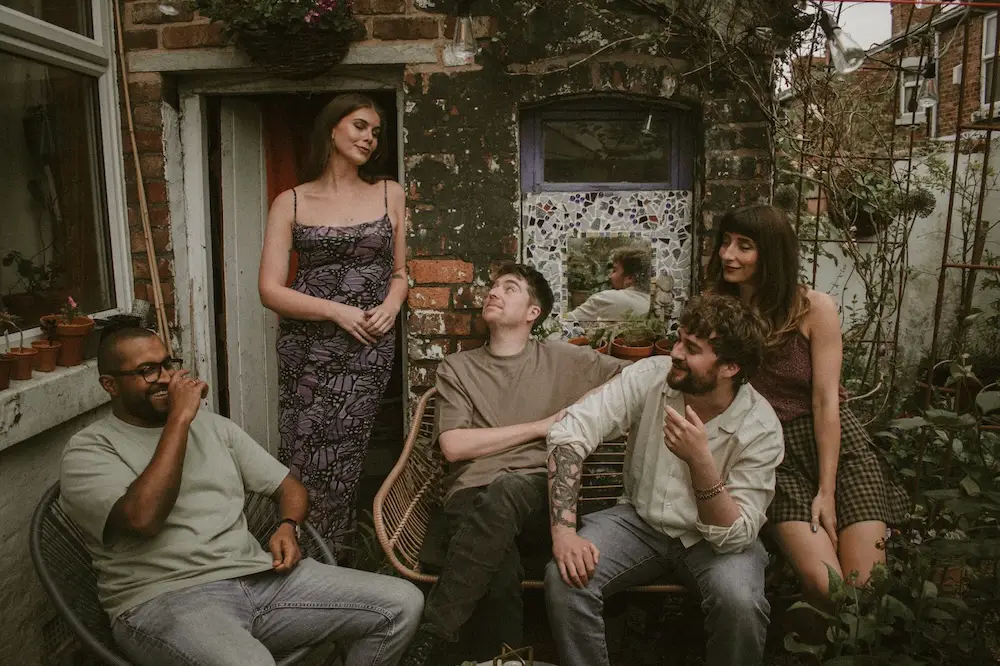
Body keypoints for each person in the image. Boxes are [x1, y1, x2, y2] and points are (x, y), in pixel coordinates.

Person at [59, 327, 423, 666]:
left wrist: (288, 525)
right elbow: (144, 519)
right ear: (110, 384)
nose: (167, 378)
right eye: (147, 370)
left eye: (168, 364)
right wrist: (179, 421)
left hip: (259, 578)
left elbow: (289, 487)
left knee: (401, 603)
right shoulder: (90, 450)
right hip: (167, 599)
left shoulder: (215, 428)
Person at [402, 263, 628, 665]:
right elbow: (453, 446)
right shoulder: (459, 368)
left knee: (509, 489)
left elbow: (636, 376)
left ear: (532, 313)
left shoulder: (562, 359)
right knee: (499, 572)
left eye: (509, 288)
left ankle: (431, 636)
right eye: (493, 287)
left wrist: (582, 411)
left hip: (541, 496)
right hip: (472, 496)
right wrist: (540, 426)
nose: (494, 292)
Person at [545, 294, 784, 666]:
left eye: (692, 348)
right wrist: (564, 532)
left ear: (730, 367)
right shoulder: (651, 377)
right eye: (679, 339)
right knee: (565, 578)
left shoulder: (760, 427)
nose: (676, 352)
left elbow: (736, 536)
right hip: (640, 522)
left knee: (740, 603)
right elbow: (569, 433)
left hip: (711, 542)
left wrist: (701, 462)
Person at [706, 204, 909, 598]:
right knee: (827, 585)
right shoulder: (719, 312)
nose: (728, 254)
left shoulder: (814, 308)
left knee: (865, 585)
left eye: (744, 246)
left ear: (772, 254)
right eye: (726, 242)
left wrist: (826, 491)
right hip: (770, 452)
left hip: (837, 448)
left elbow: (825, 402)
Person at [259, 93, 407, 554]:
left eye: (376, 132)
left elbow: (401, 272)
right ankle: (294, 551)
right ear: (331, 129)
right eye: (360, 126)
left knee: (345, 453)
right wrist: (336, 310)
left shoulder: (389, 193)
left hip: (366, 347)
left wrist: (393, 304)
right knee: (302, 450)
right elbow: (270, 291)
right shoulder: (291, 201)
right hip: (307, 345)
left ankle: (335, 559)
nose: (369, 138)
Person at [566, 246, 651, 321]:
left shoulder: (607, 299)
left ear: (630, 278)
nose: (610, 276)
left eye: (614, 270)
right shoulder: (651, 305)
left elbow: (567, 320)